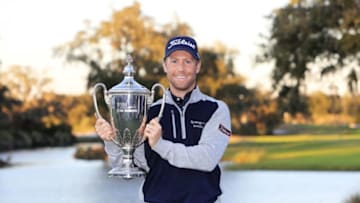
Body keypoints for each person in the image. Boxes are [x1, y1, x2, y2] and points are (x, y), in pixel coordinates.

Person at [95, 35, 232, 203]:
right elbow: (130, 166)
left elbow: (207, 159)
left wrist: (160, 145)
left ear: (198, 66)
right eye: (174, 61)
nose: (181, 68)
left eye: (188, 61)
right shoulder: (148, 111)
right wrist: (112, 140)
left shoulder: (216, 109)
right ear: (165, 66)